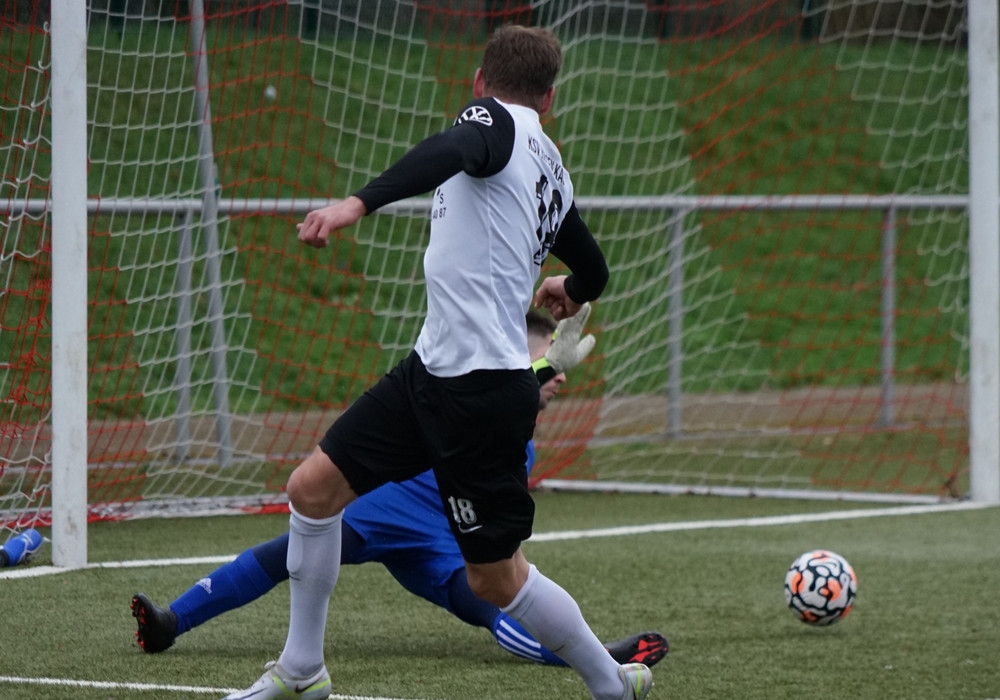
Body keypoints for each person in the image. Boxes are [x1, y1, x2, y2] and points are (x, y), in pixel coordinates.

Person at [225, 25, 653, 700]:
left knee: (497, 578)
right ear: (550, 97)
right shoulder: (551, 165)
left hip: (481, 393)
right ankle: (302, 671)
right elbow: (594, 269)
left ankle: (612, 683)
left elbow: (451, 148)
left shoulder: (491, 123)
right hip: (429, 373)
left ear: (479, 84)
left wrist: (355, 203)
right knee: (312, 490)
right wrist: (570, 288)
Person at [130, 309, 668, 670]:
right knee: (282, 554)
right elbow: (483, 398)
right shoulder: (466, 380)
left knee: (493, 603)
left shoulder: (518, 426)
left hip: (441, 542)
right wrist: (543, 365)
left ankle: (596, 657)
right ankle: (171, 622)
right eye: (545, 355)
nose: (561, 374)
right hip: (384, 510)